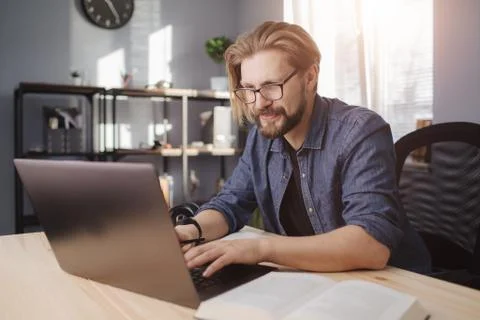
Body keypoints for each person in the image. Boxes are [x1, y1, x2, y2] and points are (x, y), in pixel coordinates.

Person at [175, 21, 431, 277]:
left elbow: (371, 245)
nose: (260, 103)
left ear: (310, 77)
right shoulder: (262, 137)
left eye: (272, 86)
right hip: (311, 280)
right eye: (250, 89)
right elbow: (230, 203)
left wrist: (262, 249)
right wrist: (190, 231)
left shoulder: (360, 131)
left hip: (390, 284)